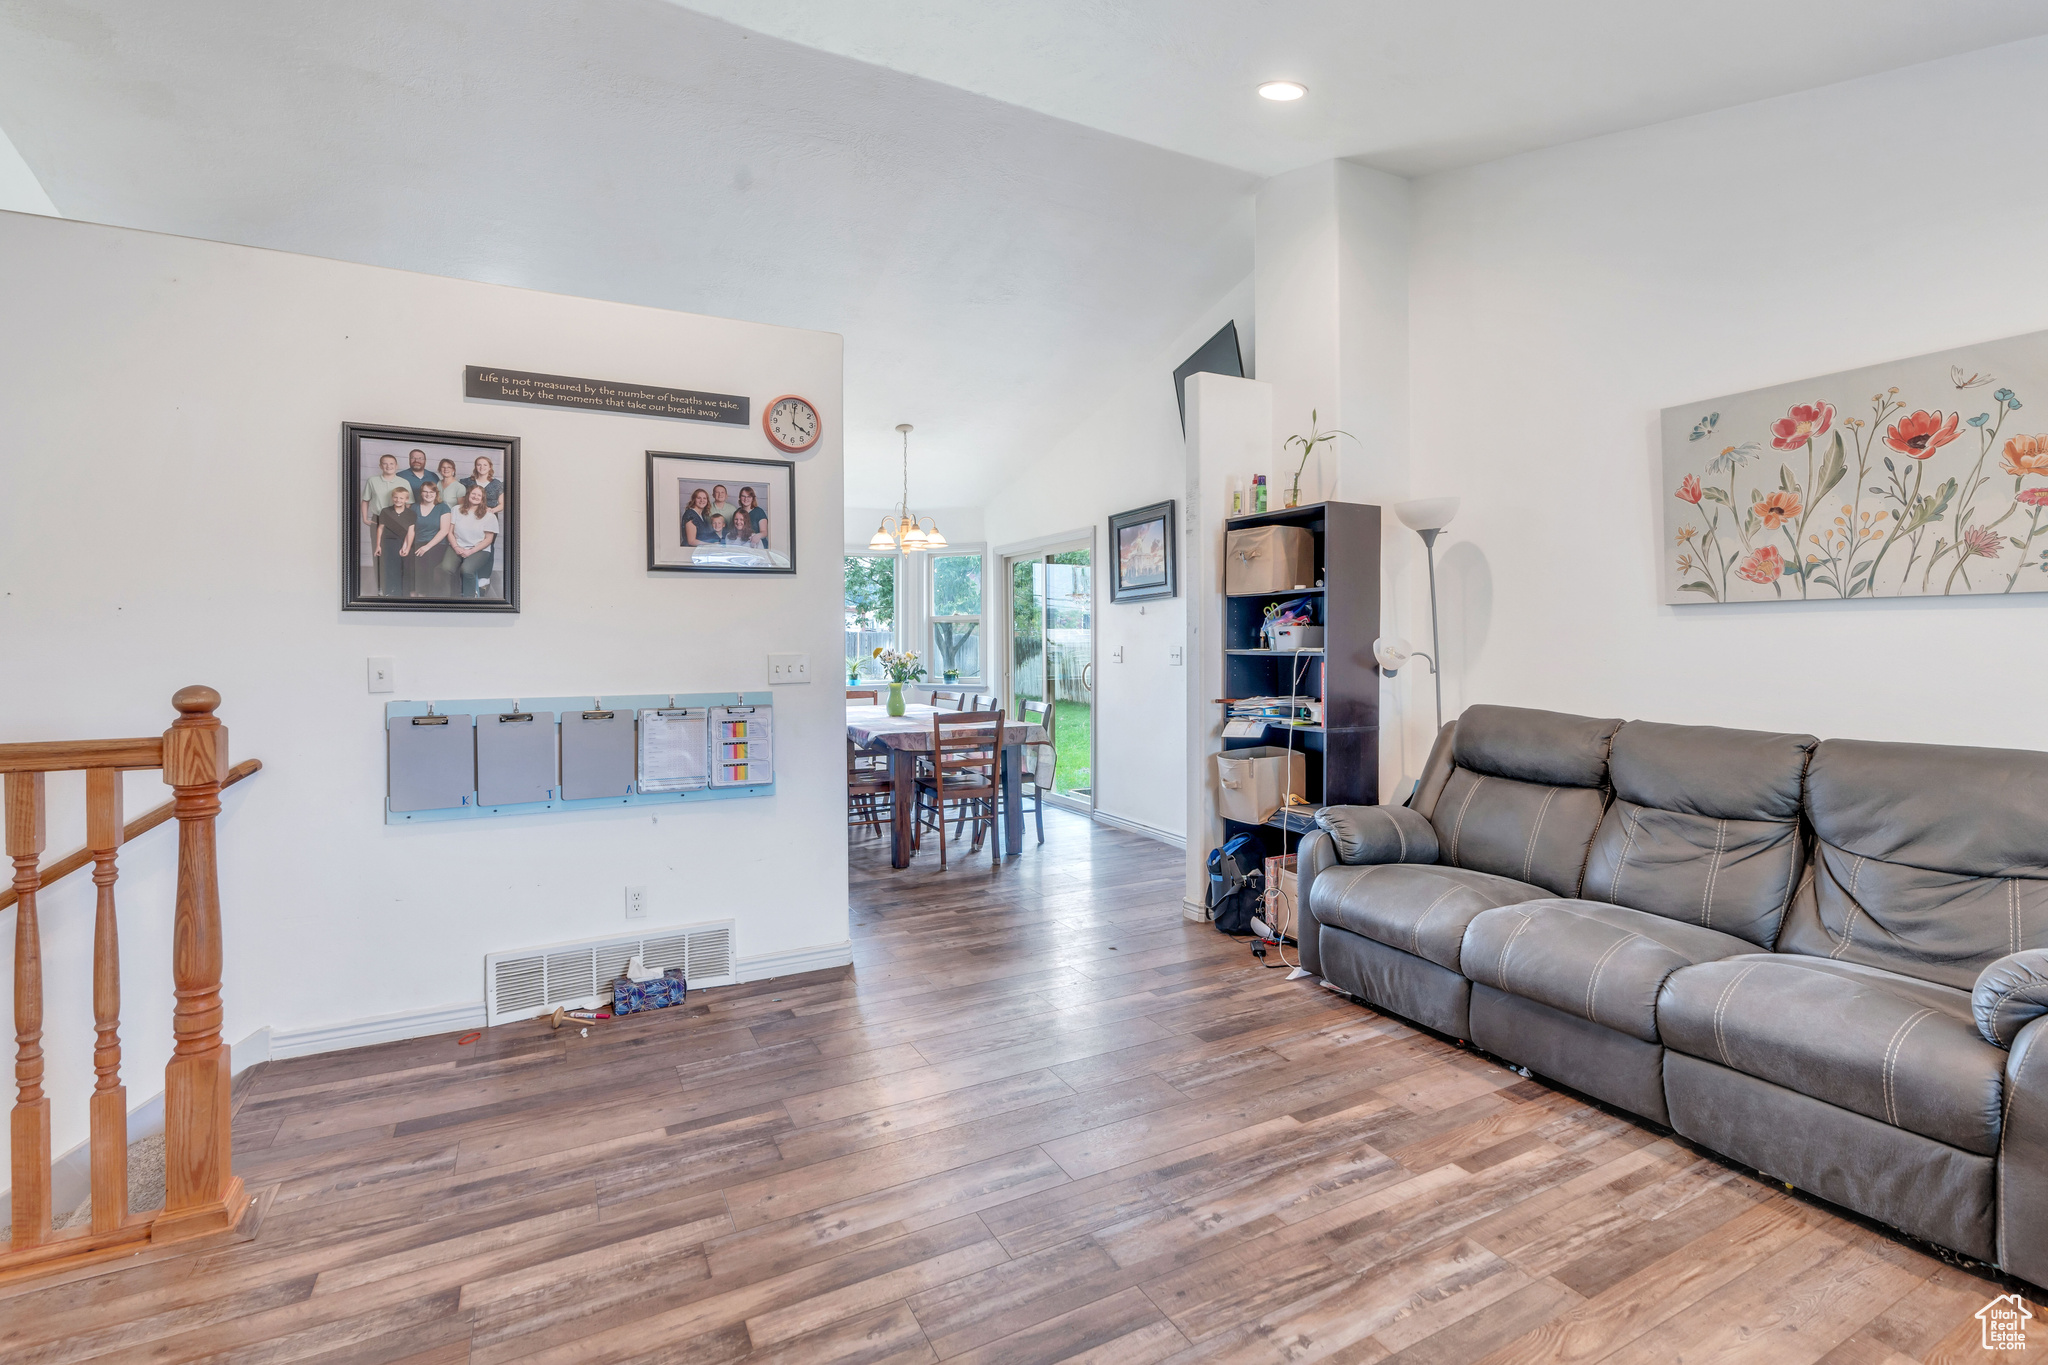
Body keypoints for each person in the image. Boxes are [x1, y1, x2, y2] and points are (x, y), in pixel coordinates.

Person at [448, 482, 501, 598]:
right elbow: (450, 532)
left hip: (479, 550)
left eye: (479, 495)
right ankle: (450, 598)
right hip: (458, 546)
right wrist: (456, 547)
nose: (476, 497)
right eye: (473, 494)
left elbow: (488, 540)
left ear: (482, 499)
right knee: (445, 568)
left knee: (466, 570)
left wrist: (470, 552)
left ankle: (470, 598)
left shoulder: (489, 515)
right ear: (468, 494)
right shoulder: (456, 509)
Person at [411, 479, 455, 597]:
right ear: (421, 493)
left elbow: (444, 530)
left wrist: (427, 547)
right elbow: (411, 530)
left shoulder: (443, 507)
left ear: (436, 493)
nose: (428, 495)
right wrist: (407, 545)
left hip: (437, 543)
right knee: (410, 562)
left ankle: (426, 595)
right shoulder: (414, 507)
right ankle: (416, 593)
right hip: (418, 542)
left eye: (431, 492)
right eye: (425, 492)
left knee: (426, 561)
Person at [374, 482, 415, 597]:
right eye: (395, 497)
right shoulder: (385, 511)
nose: (398, 500)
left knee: (404, 568)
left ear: (406, 499)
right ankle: (390, 592)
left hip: (403, 542)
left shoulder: (410, 513)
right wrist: (378, 545)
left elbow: (410, 531)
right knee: (390, 568)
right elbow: (380, 528)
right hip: (389, 543)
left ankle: (403, 594)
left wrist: (406, 547)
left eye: (401, 498)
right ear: (392, 498)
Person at [360, 452, 405, 527]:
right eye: (385, 464)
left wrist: (403, 517)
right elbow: (365, 500)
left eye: (391, 464)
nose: (388, 466)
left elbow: (409, 503)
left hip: (398, 519)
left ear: (396, 466)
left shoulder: (404, 482)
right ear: (380, 466)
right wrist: (365, 519)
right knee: (376, 539)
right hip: (378, 518)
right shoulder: (372, 481)